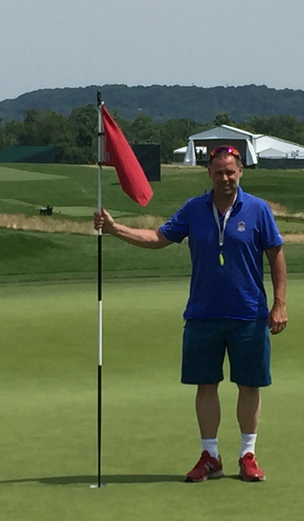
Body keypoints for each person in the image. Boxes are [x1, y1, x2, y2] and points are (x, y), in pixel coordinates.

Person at [94, 145, 287, 483]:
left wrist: (280, 304)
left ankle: (248, 455)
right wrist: (115, 229)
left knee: (249, 385)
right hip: (202, 313)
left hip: (248, 314)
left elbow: (276, 256)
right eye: (219, 172)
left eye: (230, 172)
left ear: (240, 171)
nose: (225, 178)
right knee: (205, 385)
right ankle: (210, 456)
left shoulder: (258, 210)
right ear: (209, 173)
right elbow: (158, 238)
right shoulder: (194, 209)